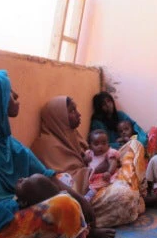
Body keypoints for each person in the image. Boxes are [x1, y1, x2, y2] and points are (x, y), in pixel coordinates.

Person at [0, 70, 93, 238]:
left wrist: (82, 201)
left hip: (16, 204)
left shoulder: (6, 141)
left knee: (60, 188)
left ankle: (78, 233)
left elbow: (47, 175)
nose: (16, 95)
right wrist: (19, 200)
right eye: (8, 91)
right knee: (65, 206)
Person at [31, 96, 147, 229]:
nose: (79, 114)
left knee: (134, 145)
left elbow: (91, 156)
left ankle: (136, 192)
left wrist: (109, 162)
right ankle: (132, 194)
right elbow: (65, 182)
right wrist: (97, 170)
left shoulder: (72, 134)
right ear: (59, 117)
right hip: (86, 195)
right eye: (72, 111)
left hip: (102, 177)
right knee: (124, 196)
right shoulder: (46, 146)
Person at [84, 129, 120, 201]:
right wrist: (85, 159)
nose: (100, 146)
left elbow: (113, 163)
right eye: (96, 144)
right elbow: (83, 162)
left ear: (108, 144)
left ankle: (88, 197)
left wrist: (109, 172)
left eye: (104, 143)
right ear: (90, 146)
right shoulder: (89, 153)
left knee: (96, 187)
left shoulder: (109, 152)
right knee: (85, 186)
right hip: (91, 177)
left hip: (103, 176)